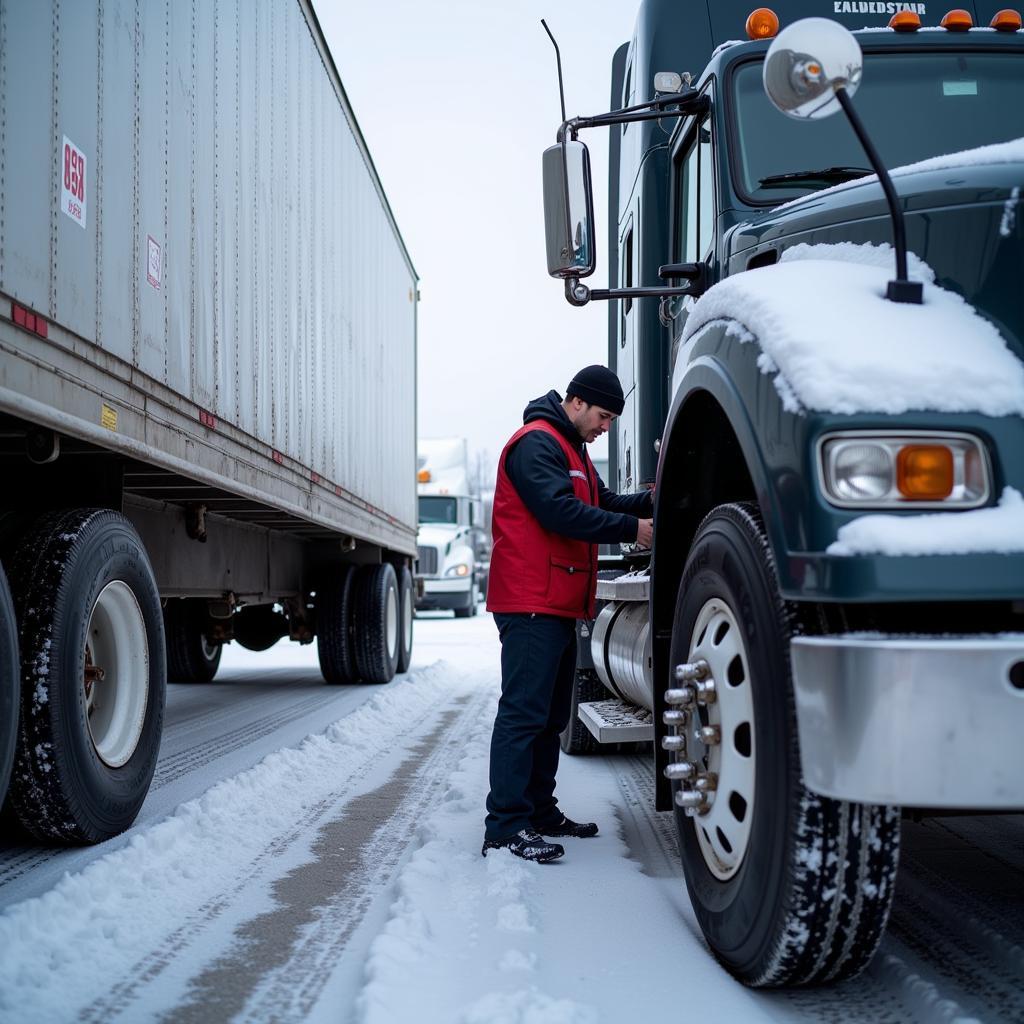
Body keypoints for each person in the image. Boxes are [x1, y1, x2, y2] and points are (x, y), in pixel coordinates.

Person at [482, 365, 654, 862]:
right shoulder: (537, 443)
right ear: (576, 402)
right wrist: (632, 530)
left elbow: (601, 501)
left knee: (551, 715)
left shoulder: (571, 449)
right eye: (603, 417)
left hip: (554, 601)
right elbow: (559, 512)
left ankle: (538, 811)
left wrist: (650, 500)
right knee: (523, 714)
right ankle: (505, 826)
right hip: (530, 600)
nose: (606, 428)